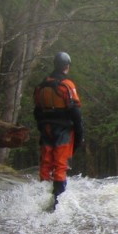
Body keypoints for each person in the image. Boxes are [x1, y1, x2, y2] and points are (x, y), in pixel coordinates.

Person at [33, 52, 84, 207]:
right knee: (60, 165)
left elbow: (37, 110)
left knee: (46, 164)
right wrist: (80, 131)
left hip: (46, 129)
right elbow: (75, 111)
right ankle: (57, 203)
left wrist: (42, 127)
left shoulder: (41, 85)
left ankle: (41, 199)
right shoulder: (67, 85)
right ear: (66, 66)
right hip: (63, 130)